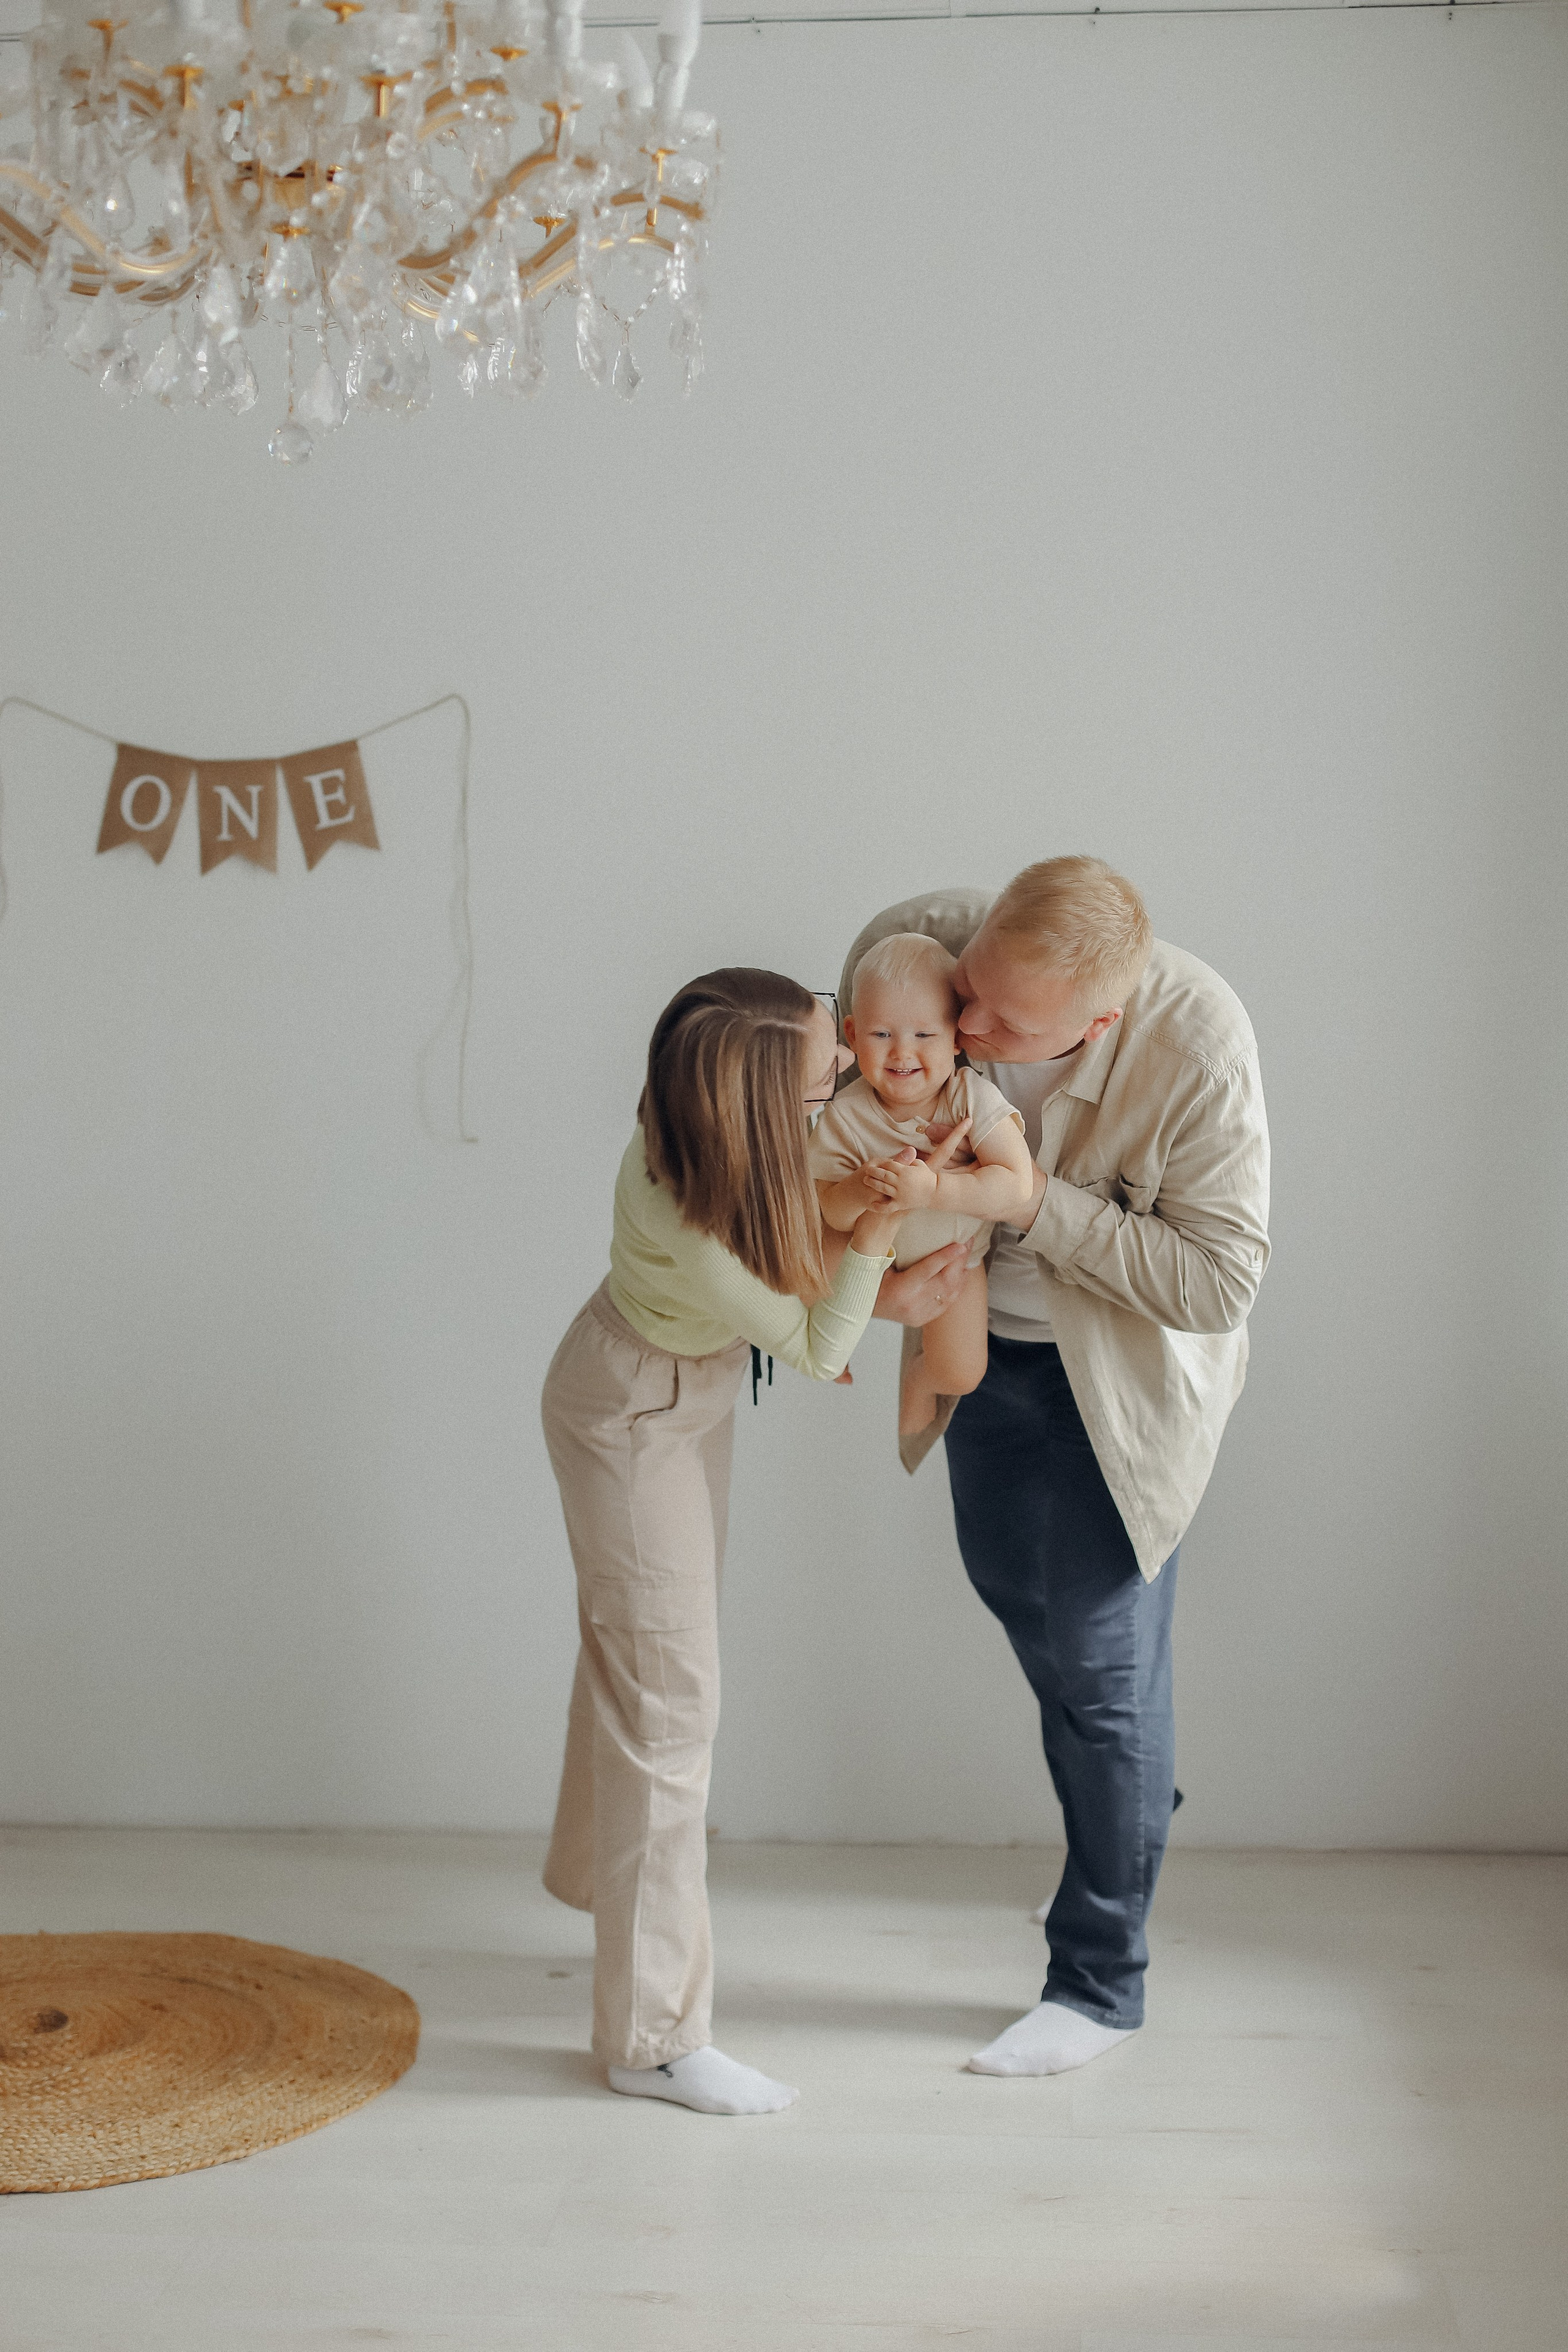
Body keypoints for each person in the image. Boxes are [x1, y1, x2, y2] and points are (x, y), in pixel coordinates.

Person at [842, 859, 1270, 2078]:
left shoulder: (1196, 1040)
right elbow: (846, 1115)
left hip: (1119, 1392)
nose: (966, 1030)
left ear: (1099, 1024)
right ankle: (1128, 1811)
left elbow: (1217, 1281)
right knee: (1022, 1604)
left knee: (1097, 1666)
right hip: (978, 1360)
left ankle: (1097, 1979)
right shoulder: (909, 944)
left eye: (1003, 1024)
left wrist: (1034, 1208)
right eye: (965, 993)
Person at [540, 968, 911, 2117]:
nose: (844, 1062)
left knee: (644, 1661)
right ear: (753, 1109)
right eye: (821, 1071)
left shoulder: (699, 1133)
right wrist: (883, 1239)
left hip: (676, 1392)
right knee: (672, 1702)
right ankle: (652, 2039)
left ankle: (607, 1896)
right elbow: (811, 1348)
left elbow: (797, 1210)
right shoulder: (694, 1222)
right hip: (635, 1413)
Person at [809, 932, 1035, 1438]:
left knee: (962, 1373)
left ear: (957, 1038)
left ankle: (922, 1375)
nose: (902, 1052)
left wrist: (932, 1190)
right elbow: (829, 1213)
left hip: (956, 1260)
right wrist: (860, 1191)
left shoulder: (969, 1099)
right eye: (881, 1034)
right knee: (822, 1340)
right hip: (864, 1267)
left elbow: (1016, 1185)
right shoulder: (844, 1118)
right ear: (851, 1033)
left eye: (924, 1036)